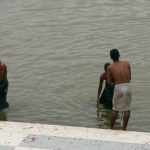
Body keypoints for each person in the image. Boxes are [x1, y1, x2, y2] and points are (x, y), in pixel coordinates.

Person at [107, 49, 132, 130]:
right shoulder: (127, 63)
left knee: (115, 109)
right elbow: (130, 77)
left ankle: (111, 128)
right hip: (128, 86)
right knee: (127, 108)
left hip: (118, 87)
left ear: (111, 57)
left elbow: (109, 82)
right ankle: (124, 129)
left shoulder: (110, 67)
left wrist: (115, 84)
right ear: (119, 55)